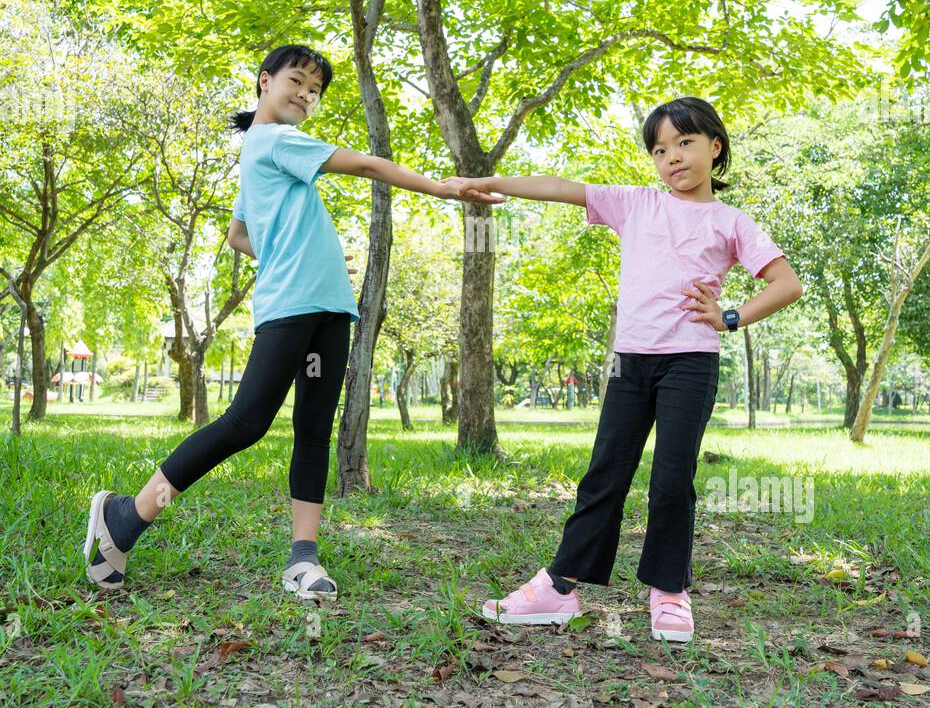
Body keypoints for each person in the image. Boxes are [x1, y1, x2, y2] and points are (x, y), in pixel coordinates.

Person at [83, 43, 502, 601]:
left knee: (313, 429)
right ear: (264, 81)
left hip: (329, 307)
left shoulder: (257, 153)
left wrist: (293, 250)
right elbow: (368, 165)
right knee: (245, 423)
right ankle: (124, 517)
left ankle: (302, 559)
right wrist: (443, 187)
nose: (307, 94)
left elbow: (238, 234)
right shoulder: (276, 140)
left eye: (315, 90)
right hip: (291, 307)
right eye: (297, 81)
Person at [447, 96, 804, 644]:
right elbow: (562, 187)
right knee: (605, 472)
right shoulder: (636, 204)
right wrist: (490, 181)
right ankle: (559, 589)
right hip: (629, 363)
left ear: (715, 147)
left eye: (685, 143)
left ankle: (668, 592)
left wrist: (729, 316)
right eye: (660, 150)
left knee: (671, 480)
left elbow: (786, 284)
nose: (673, 158)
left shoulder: (731, 221)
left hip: (690, 362)